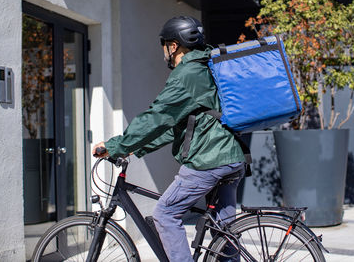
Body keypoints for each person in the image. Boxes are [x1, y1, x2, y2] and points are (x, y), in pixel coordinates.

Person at [92, 16, 246, 262]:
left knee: (165, 214)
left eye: (164, 45)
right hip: (230, 156)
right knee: (224, 230)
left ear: (173, 46)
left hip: (209, 159)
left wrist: (114, 145)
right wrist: (135, 147)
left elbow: (158, 117)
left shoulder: (186, 74)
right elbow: (179, 124)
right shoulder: (204, 66)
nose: (163, 51)